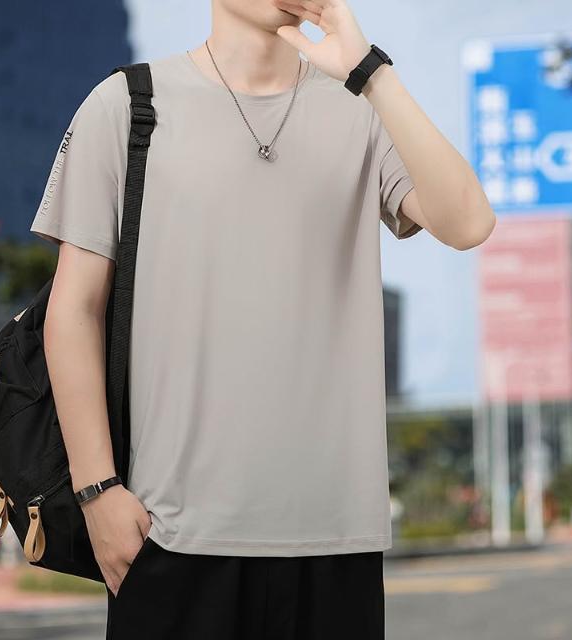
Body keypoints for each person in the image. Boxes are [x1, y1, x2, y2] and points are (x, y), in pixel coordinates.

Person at [29, 0, 496, 637]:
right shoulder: (128, 105)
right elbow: (73, 312)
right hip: (172, 533)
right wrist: (97, 493)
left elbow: (469, 224)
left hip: (335, 536)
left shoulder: (360, 106)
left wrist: (370, 72)